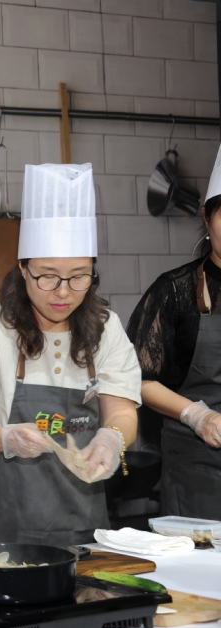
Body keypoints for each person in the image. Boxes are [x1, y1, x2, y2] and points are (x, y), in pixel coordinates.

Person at [0, 163, 142, 546]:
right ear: (22, 268)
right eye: (47, 275)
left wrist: (111, 438)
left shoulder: (106, 327)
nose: (63, 292)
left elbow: (121, 410)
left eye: (79, 276)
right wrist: (7, 438)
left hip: (83, 523)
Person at [127, 147, 221, 519]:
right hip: (197, 473)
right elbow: (136, 378)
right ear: (206, 216)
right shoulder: (175, 291)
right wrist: (197, 416)